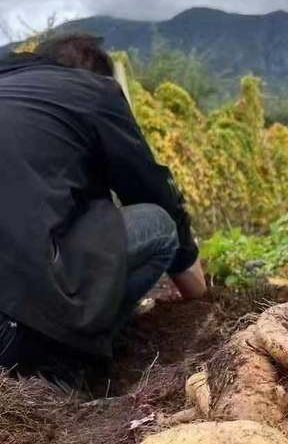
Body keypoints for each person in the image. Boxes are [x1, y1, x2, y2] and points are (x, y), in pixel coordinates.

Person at [0, 32, 206, 375]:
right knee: (157, 225)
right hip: (12, 333)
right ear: (93, 73)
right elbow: (151, 190)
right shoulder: (92, 92)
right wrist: (194, 281)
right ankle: (68, 361)